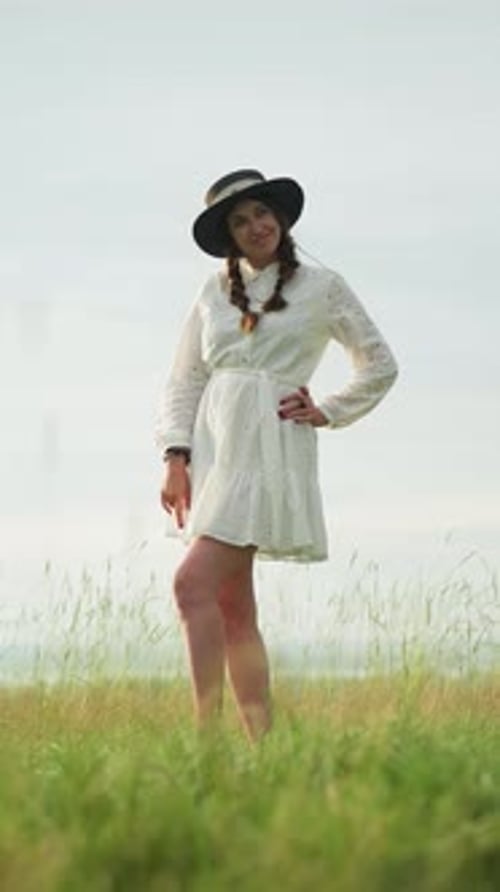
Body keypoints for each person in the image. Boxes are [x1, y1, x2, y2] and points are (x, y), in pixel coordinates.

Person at [155, 169, 398, 740]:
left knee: (192, 586)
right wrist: (175, 456)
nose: (255, 226)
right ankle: (264, 748)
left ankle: (207, 744)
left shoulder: (323, 286)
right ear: (229, 236)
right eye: (240, 221)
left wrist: (329, 409)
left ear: (280, 217)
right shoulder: (212, 293)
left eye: (262, 213)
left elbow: (380, 364)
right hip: (215, 451)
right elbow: (185, 378)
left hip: (270, 450)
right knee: (233, 604)